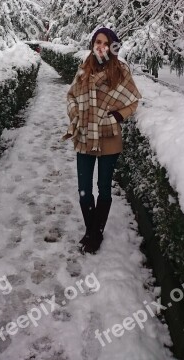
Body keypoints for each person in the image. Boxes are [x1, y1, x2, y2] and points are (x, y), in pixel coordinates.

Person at [62, 27, 141, 254]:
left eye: (106, 43)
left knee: (103, 188)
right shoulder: (84, 69)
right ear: (93, 43)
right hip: (85, 134)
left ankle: (95, 234)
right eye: (98, 41)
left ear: (113, 46)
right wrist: (76, 114)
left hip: (109, 137)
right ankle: (92, 231)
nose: (101, 46)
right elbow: (71, 96)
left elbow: (132, 100)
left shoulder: (120, 70)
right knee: (84, 189)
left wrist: (116, 116)